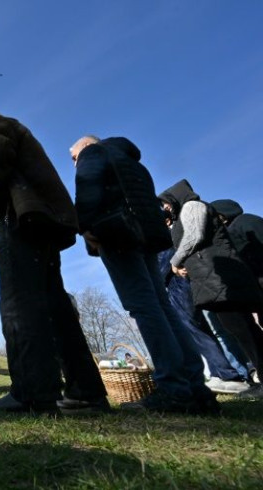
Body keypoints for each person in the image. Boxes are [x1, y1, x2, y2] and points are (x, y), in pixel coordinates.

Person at [0, 110, 108, 415]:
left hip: (16, 220)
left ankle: (31, 393)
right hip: (41, 223)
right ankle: (85, 392)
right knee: (56, 308)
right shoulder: (24, 138)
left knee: (18, 304)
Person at [71, 136, 218, 414]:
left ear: (87, 146)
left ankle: (173, 388)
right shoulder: (132, 163)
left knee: (143, 306)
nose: (75, 161)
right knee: (161, 305)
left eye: (74, 155)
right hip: (146, 238)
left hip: (115, 233)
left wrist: (86, 226)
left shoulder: (93, 154)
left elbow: (88, 187)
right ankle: (195, 386)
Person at [158, 180, 263, 399]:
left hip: (221, 282)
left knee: (244, 332)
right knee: (242, 331)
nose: (165, 208)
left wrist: (176, 261)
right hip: (214, 282)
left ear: (174, 198)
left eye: (166, 203)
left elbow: (193, 237)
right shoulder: (184, 212)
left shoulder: (192, 207)